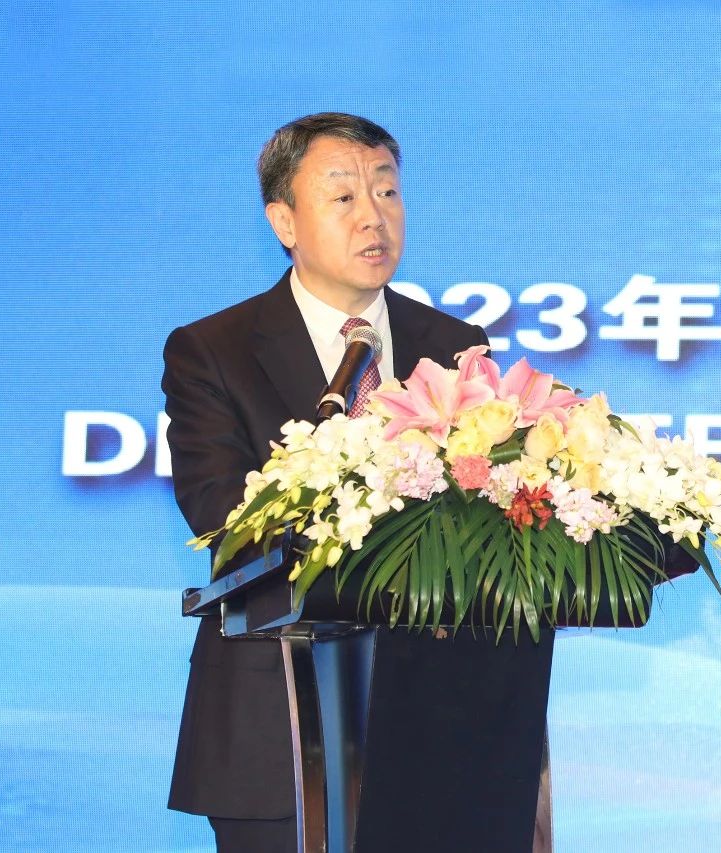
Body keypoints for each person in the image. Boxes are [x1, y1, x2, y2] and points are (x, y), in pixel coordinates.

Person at [163, 113, 549, 852]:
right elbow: (221, 513)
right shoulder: (213, 350)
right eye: (343, 197)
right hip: (277, 731)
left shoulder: (455, 344)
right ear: (284, 221)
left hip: (445, 730)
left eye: (388, 192)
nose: (374, 216)